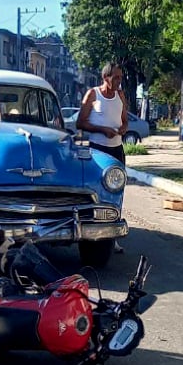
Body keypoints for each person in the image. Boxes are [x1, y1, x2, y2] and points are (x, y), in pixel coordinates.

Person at [76, 61, 129, 254]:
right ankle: (93, 233)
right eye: (116, 77)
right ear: (105, 77)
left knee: (116, 192)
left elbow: (124, 120)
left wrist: (123, 129)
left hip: (116, 150)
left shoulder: (120, 95)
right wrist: (102, 129)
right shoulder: (93, 94)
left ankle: (112, 237)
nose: (119, 81)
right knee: (97, 192)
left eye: (120, 78)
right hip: (97, 151)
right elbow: (80, 123)